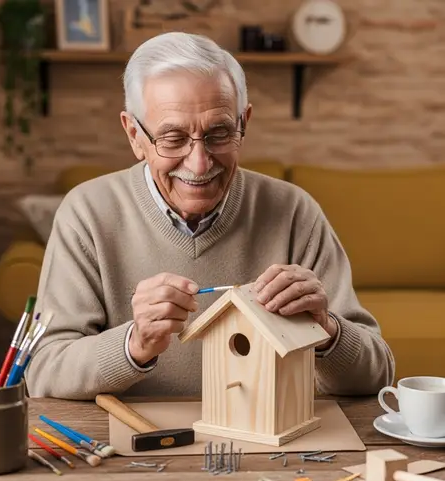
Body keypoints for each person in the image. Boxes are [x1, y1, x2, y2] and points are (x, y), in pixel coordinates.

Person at [25, 32, 395, 400]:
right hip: (136, 443)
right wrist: (134, 344)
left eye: (219, 133)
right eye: (172, 138)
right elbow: (43, 372)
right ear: (134, 134)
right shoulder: (87, 213)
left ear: (243, 123)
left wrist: (326, 330)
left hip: (266, 442)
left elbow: (377, 375)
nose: (199, 163)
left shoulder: (295, 211)